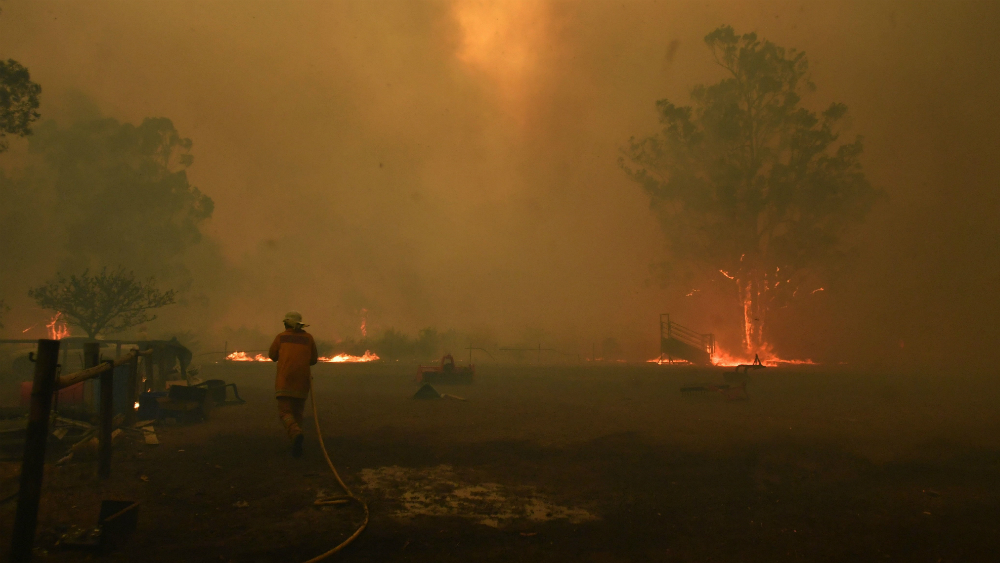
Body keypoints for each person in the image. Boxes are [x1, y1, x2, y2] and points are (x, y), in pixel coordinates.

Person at [268, 311, 318, 458]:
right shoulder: (308, 338)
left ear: (286, 324)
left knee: (285, 412)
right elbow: (314, 359)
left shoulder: (281, 337)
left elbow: (272, 356)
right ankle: (297, 445)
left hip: (285, 381)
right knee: (297, 413)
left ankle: (295, 433)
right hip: (302, 382)